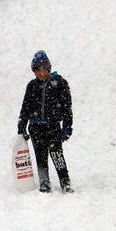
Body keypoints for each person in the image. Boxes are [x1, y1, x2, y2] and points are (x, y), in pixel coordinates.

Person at [17, 51, 74, 193]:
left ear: (48, 68)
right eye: (36, 71)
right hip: (36, 128)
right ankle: (44, 182)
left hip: (53, 127)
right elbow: (26, 107)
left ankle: (65, 181)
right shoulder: (32, 86)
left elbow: (67, 107)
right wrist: (22, 124)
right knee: (40, 156)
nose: (40, 74)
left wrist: (67, 126)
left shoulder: (60, 83)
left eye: (42, 70)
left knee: (57, 154)